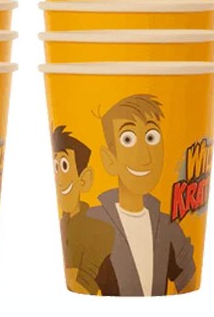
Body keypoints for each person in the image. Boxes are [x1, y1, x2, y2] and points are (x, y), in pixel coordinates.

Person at [88, 94, 196, 296]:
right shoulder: (93, 223)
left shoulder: (168, 226)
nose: (145, 157)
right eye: (128, 139)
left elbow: (190, 282)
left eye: (151, 138)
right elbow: (80, 284)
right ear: (109, 159)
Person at [52, 125, 116, 295]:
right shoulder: (67, 223)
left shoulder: (100, 229)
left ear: (84, 179)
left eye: (65, 165)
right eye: (56, 166)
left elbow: (83, 285)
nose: (59, 178)